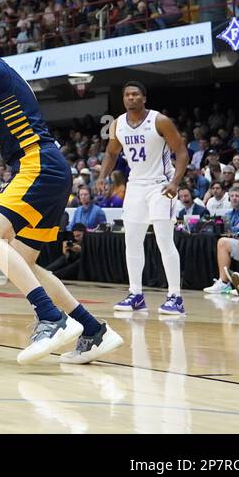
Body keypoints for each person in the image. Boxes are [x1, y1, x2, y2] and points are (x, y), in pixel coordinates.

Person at [0, 12, 120, 365]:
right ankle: (94, 330)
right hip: (48, 166)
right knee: (27, 265)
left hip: (38, 164)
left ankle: (50, 318)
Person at [98, 82, 189, 316]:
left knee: (164, 241)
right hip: (135, 186)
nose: (131, 98)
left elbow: (181, 152)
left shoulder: (160, 121)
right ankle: (136, 294)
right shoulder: (117, 124)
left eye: (135, 94)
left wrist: (175, 182)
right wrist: (101, 177)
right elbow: (111, 152)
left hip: (160, 186)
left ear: (144, 98)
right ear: (123, 99)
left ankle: (175, 297)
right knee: (132, 242)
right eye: (127, 94)